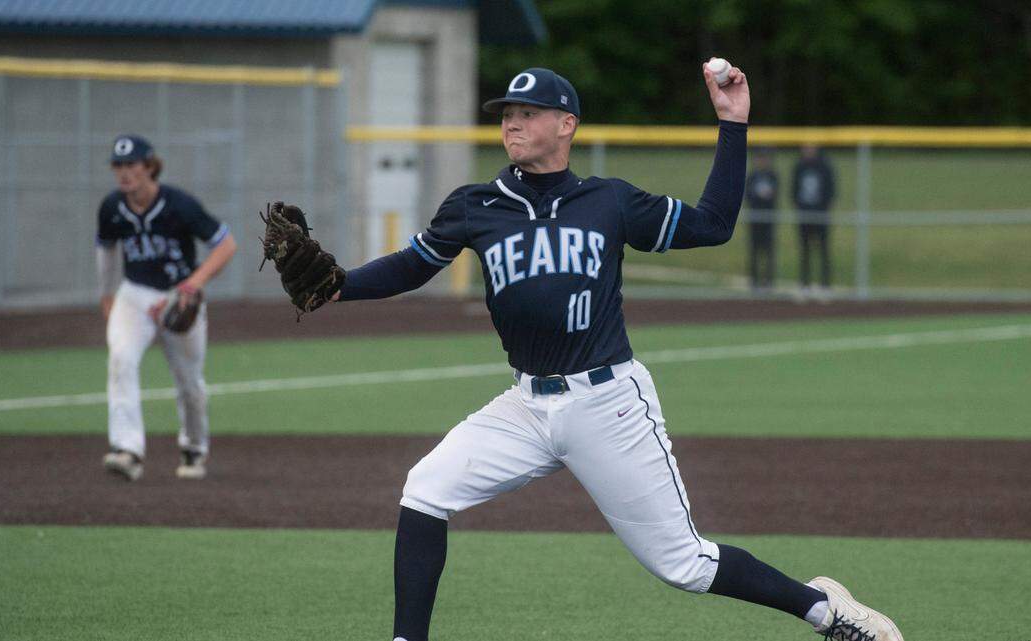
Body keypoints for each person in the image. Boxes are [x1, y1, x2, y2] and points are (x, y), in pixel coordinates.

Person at [328, 66, 901, 640]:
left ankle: (829, 613)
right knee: (425, 490)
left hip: (608, 404)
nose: (512, 123)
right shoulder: (475, 206)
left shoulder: (609, 202)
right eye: (507, 114)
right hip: (526, 405)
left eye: (527, 113)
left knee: (686, 564)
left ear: (566, 124)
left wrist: (733, 124)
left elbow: (714, 224)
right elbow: (409, 267)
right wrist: (338, 284)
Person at [96, 134, 238, 481]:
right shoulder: (112, 207)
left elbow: (226, 245)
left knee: (189, 382)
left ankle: (193, 446)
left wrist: (195, 282)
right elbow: (106, 250)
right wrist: (106, 293)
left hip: (178, 298)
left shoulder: (179, 204)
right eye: (118, 165)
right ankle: (127, 449)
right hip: (135, 294)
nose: (125, 172)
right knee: (121, 359)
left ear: (149, 166)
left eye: (131, 165)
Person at [791, 144, 836, 295]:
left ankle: (825, 285)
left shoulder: (825, 166)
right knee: (805, 251)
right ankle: (805, 284)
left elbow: (831, 191)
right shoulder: (799, 167)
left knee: (823, 251)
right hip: (804, 216)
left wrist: (824, 209)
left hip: (821, 215)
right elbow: (793, 191)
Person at [745, 147, 779, 291]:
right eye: (760, 158)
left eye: (765, 158)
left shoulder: (773, 176)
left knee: (769, 251)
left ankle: (768, 282)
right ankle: (754, 281)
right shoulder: (752, 177)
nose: (762, 161)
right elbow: (747, 196)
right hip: (755, 219)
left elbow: (775, 195)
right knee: (754, 251)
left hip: (768, 219)